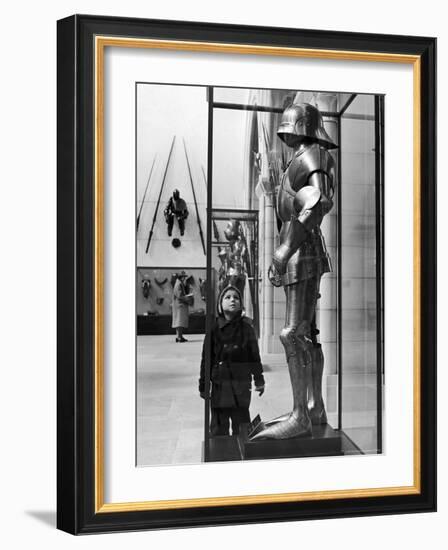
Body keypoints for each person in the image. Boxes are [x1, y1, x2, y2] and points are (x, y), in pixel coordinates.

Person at [250, 102, 336, 441]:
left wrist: (283, 253)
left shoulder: (313, 154)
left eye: (290, 127)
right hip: (301, 247)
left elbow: (320, 201)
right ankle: (314, 407)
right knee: (307, 333)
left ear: (302, 126)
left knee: (291, 334)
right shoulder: (297, 158)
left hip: (302, 250)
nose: (286, 133)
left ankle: (301, 416)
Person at [198, 285, 265, 436]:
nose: (232, 300)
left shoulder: (247, 328)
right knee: (218, 427)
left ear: (241, 304)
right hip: (219, 385)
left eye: (236, 297)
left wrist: (259, 380)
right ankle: (221, 456)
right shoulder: (214, 328)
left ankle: (240, 456)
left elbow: (254, 357)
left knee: (241, 425)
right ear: (220, 304)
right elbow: (206, 359)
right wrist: (203, 385)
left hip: (240, 385)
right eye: (227, 297)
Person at [172, 271, 190, 342]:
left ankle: (180, 336)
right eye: (184, 277)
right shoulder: (178, 284)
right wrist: (187, 298)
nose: (185, 278)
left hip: (180, 305)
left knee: (180, 321)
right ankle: (179, 337)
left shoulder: (180, 283)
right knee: (179, 322)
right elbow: (179, 295)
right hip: (179, 306)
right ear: (181, 277)